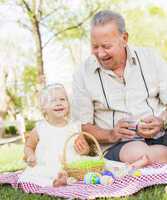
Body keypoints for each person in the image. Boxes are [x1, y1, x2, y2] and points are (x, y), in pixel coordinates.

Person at [73, 10, 167, 168]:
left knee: (146, 152)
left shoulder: (151, 58)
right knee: (138, 152)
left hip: (162, 135)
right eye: (95, 47)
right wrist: (111, 134)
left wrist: (162, 121)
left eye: (106, 46)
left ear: (124, 39)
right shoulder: (82, 74)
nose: (100, 53)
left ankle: (154, 158)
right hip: (120, 146)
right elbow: (85, 127)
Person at [18, 83, 90, 187]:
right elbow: (29, 146)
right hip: (47, 166)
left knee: (86, 168)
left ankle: (66, 178)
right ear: (44, 108)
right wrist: (30, 155)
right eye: (53, 100)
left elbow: (86, 149)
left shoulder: (74, 127)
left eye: (62, 99)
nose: (59, 103)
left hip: (71, 166)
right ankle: (54, 182)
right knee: (31, 175)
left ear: (68, 104)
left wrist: (84, 150)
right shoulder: (40, 128)